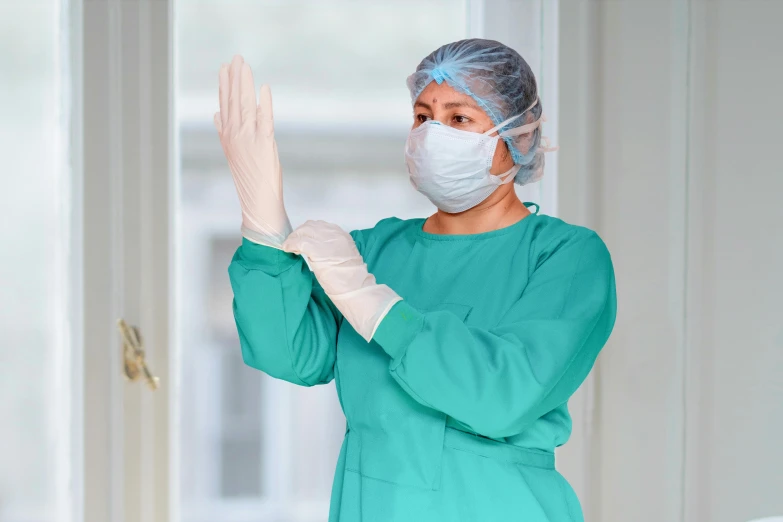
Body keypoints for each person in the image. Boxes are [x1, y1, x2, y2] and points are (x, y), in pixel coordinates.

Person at [216, 39, 617, 522]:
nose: (433, 135)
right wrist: (263, 229)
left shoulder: (564, 257)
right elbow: (292, 355)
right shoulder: (373, 251)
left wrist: (373, 304)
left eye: (459, 118)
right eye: (422, 117)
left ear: (520, 137)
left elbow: (503, 397)